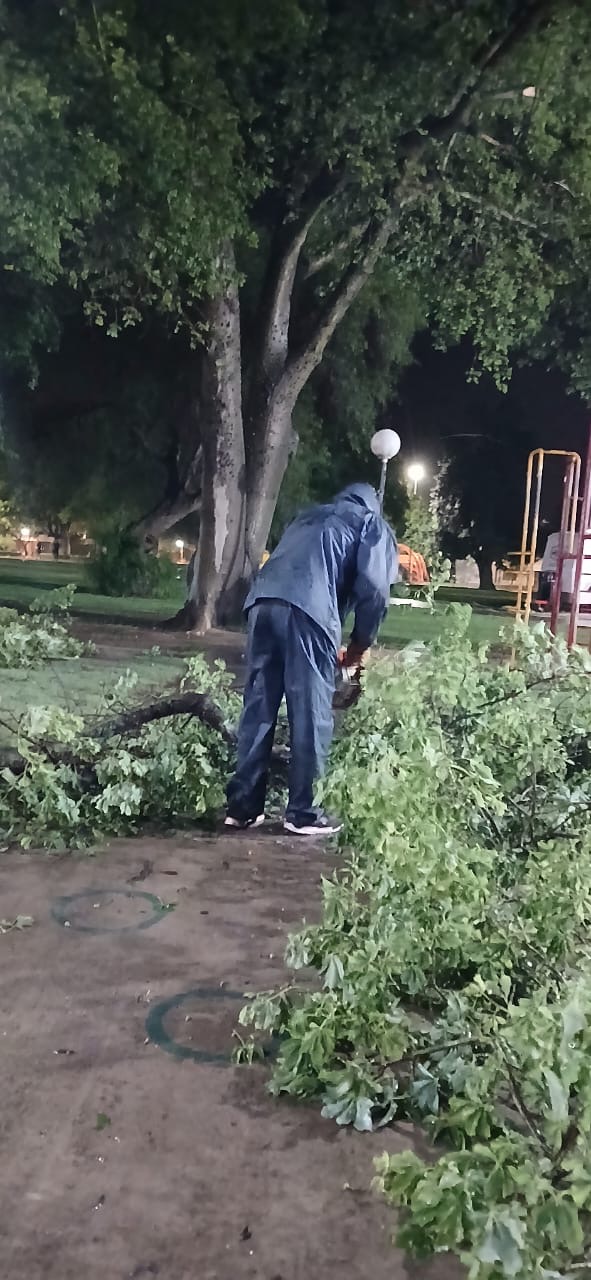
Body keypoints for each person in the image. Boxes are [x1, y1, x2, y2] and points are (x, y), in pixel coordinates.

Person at [225, 483, 397, 837]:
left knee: (258, 707)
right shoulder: (370, 524)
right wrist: (360, 645)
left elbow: (309, 567)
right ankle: (303, 812)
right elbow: (375, 589)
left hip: (262, 605)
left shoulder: (309, 516)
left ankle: (242, 808)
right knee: (311, 712)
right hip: (309, 612)